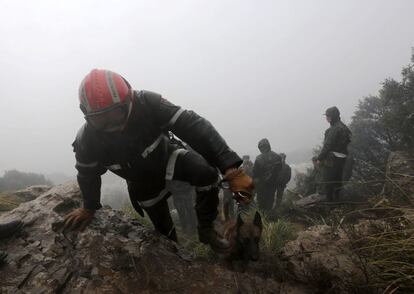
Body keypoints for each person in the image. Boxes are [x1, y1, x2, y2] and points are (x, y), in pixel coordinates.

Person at [63, 69, 254, 252]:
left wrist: (230, 167)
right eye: (100, 120)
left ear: (129, 100)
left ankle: (206, 230)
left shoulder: (147, 103)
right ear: (86, 115)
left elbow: (192, 126)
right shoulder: (86, 140)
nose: (112, 125)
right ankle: (173, 252)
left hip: (167, 158)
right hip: (140, 181)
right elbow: (88, 174)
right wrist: (88, 207)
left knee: (205, 173)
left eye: (116, 114)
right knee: (163, 230)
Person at [316, 106, 352, 201]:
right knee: (338, 182)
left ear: (332, 117)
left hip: (332, 159)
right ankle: (338, 203)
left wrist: (319, 158)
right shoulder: (344, 127)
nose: (326, 118)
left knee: (328, 183)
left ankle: (330, 205)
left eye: (328, 116)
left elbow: (328, 145)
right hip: (343, 158)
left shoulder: (334, 129)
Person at [252, 139, 282, 212]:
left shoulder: (276, 157)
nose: (263, 149)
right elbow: (255, 173)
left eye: (263, 147)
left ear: (268, 146)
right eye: (261, 147)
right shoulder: (259, 158)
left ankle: (265, 218)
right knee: (263, 203)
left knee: (267, 202)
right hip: (263, 185)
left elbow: (279, 171)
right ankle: (264, 218)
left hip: (270, 185)